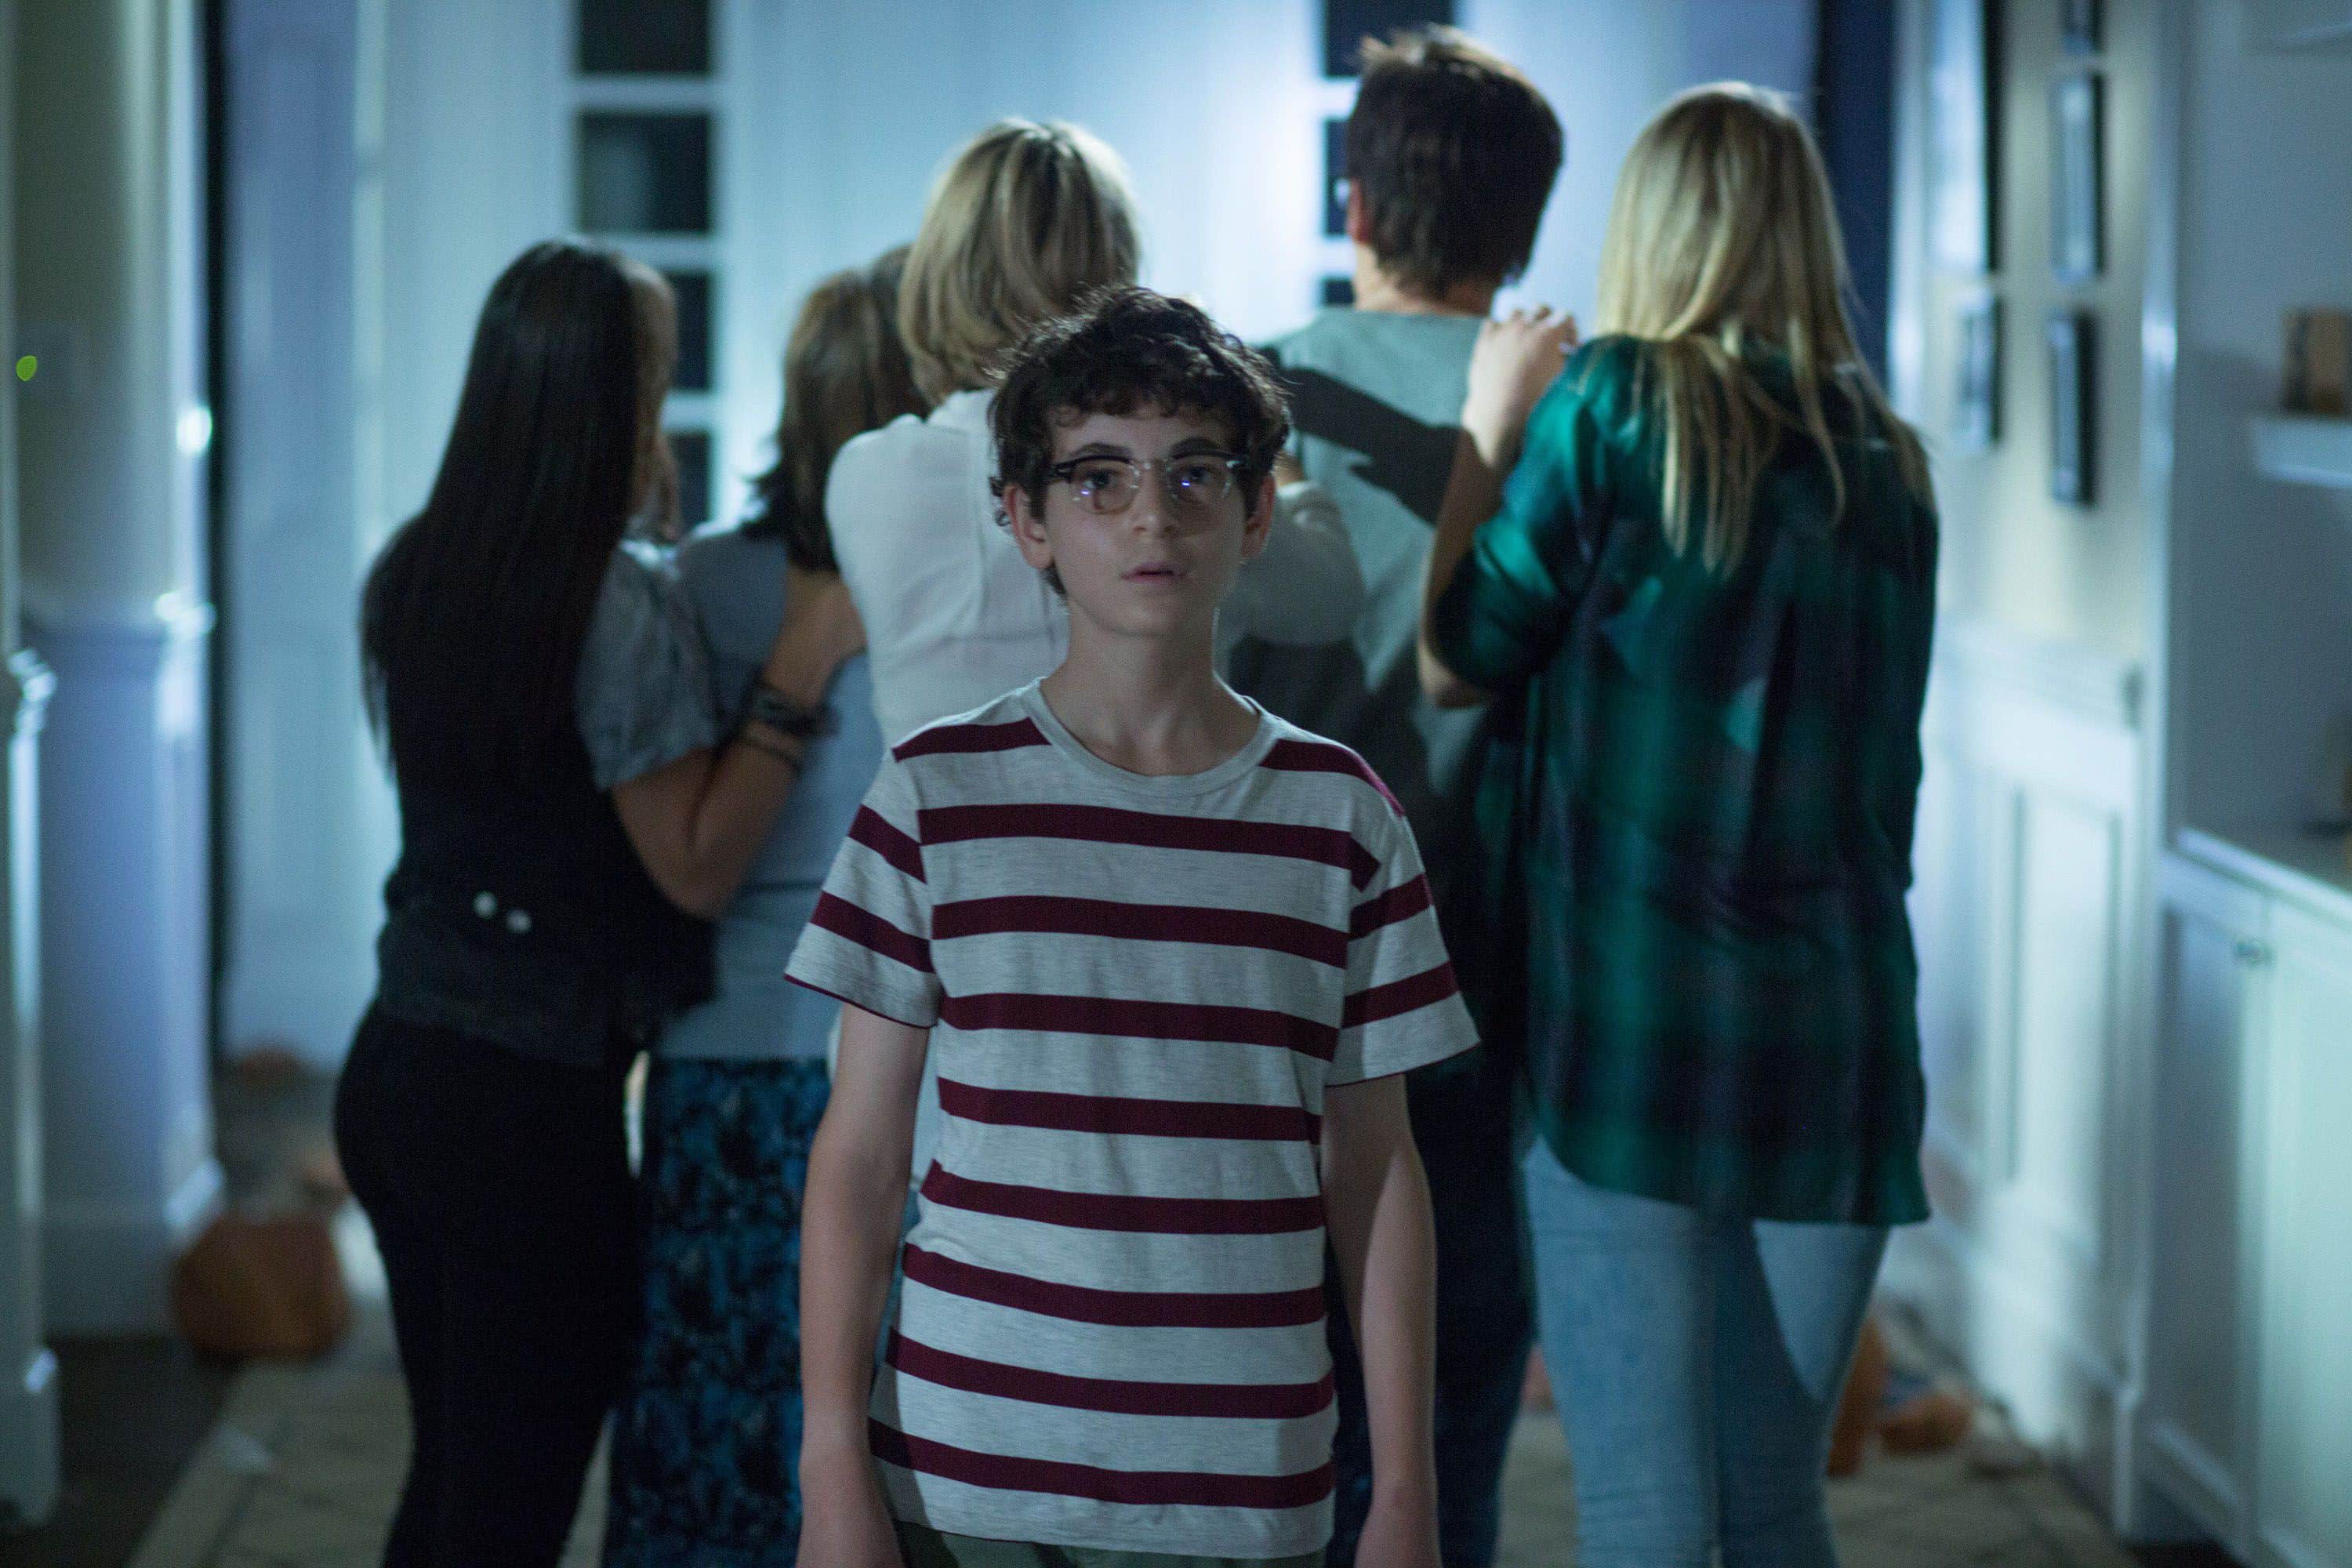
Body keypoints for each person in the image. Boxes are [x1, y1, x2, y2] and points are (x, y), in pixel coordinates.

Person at [790, 287, 1475, 1568]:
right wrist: (832, 1466)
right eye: (1098, 479)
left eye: (1194, 474)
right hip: (966, 1471)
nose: (1152, 516)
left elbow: (1377, 1172)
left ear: (1258, 513)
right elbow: (863, 1156)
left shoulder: (1340, 816)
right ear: (1027, 521)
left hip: (1238, 1484)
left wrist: (1407, 1496)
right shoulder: (935, 794)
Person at [1416, 84, 1940, 1568]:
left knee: (1648, 1511)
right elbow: (1889, 789)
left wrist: (1485, 428)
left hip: (1632, 1033)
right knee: (1776, 1503)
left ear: (1652, 227)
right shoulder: (1888, 461)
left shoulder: (1616, 403)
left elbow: (1456, 653)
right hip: (1838, 1041)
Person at [338, 239, 862, 1567]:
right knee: (508, 1503)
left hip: (398, 1067)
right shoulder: (614, 601)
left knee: (451, 1473)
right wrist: (798, 670)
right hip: (523, 1107)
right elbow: (694, 865)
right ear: (609, 401)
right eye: (656, 381)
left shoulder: (419, 566)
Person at [826, 118, 1367, 1177]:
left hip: (952, 968)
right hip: (1170, 961)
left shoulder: (870, 478)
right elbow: (1329, 596)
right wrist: (1253, 441)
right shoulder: (1174, 496)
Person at [1221, 28, 1563, 1567]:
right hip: (1493, 954)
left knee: (1253, 1429)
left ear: (1353, 203)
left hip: (1270, 955)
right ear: (1527, 228)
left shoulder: (1243, 394)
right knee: (1443, 1435)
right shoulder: (1579, 407)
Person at [604, 249, 921, 1567]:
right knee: (871, 1431)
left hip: (718, 1057)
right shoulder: (967, 589)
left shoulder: (697, 581)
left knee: (703, 1420)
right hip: (886, 1055)